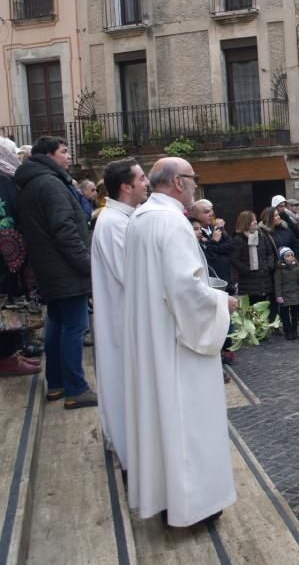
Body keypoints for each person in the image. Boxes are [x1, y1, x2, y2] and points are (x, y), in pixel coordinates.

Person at [123, 157, 239, 528]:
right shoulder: (172, 223)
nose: (196, 185)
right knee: (189, 423)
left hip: (153, 335)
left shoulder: (141, 219)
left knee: (163, 422)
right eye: (193, 179)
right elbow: (186, 290)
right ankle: (194, 506)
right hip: (178, 344)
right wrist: (224, 302)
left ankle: (166, 497)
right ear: (176, 182)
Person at [14, 136, 96, 408]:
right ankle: (76, 389)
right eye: (64, 151)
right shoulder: (49, 184)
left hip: (50, 268)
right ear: (49, 155)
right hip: (65, 268)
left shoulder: (35, 181)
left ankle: (57, 384)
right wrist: (87, 265)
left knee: (58, 325)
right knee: (74, 326)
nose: (69, 156)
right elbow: (65, 230)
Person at [90, 158, 149, 468]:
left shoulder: (122, 218)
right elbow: (131, 274)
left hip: (125, 317)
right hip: (122, 320)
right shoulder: (114, 222)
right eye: (141, 179)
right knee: (124, 387)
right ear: (126, 187)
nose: (146, 183)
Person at [0, 138, 39, 377]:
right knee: (6, 307)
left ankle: (12, 354)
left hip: (8, 257)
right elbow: (7, 218)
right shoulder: (2, 180)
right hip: (6, 259)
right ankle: (7, 357)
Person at [231, 211, 276, 306]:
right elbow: (235, 259)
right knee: (252, 311)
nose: (255, 222)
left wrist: (269, 266)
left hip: (264, 279)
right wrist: (246, 270)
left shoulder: (262, 236)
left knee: (264, 309)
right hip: (248, 282)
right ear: (245, 223)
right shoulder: (239, 239)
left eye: (255, 219)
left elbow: (270, 253)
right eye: (252, 220)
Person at [191, 199, 234, 293]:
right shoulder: (196, 235)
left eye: (211, 211)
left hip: (226, 280)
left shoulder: (215, 229)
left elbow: (230, 246)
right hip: (212, 285)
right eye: (206, 212)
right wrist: (214, 241)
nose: (211, 214)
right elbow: (207, 258)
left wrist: (222, 230)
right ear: (196, 215)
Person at [274, 247, 299, 340]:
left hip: (295, 293)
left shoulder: (296, 267)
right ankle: (288, 331)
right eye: (287, 256)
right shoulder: (279, 269)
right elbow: (278, 283)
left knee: (295, 314)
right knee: (285, 315)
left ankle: (294, 330)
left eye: (292, 255)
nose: (290, 257)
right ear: (283, 258)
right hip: (284, 294)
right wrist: (278, 295)